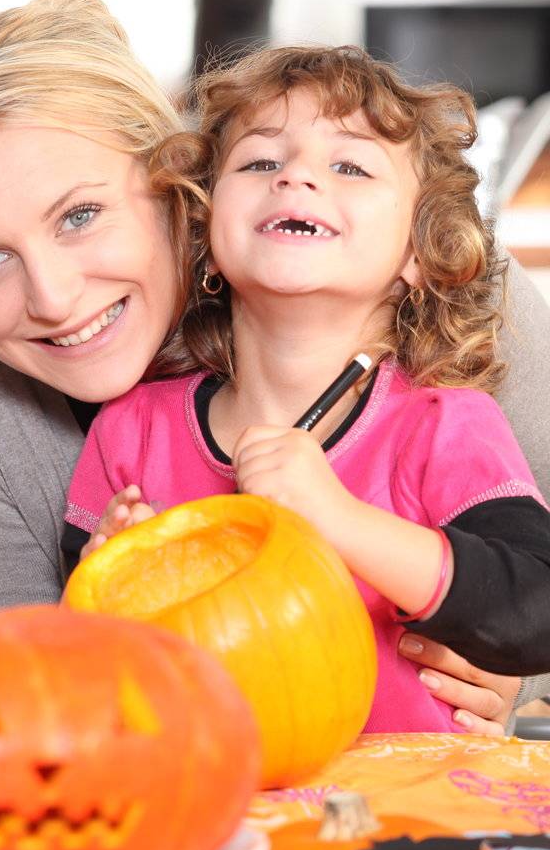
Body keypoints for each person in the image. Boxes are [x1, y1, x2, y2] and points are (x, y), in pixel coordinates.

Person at [0, 0, 550, 734]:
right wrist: (108, 579)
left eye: (80, 215)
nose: (52, 296)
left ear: (179, 181)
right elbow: (25, 701)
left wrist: (510, 678)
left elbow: (530, 600)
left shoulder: (460, 292)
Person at [64, 45, 550, 731]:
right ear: (205, 227)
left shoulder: (446, 426)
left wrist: (338, 517)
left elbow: (536, 607)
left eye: (349, 165)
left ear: (419, 254)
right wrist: (101, 579)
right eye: (260, 161)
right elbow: (77, 661)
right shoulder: (131, 430)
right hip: (209, 806)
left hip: (410, 816)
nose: (295, 176)